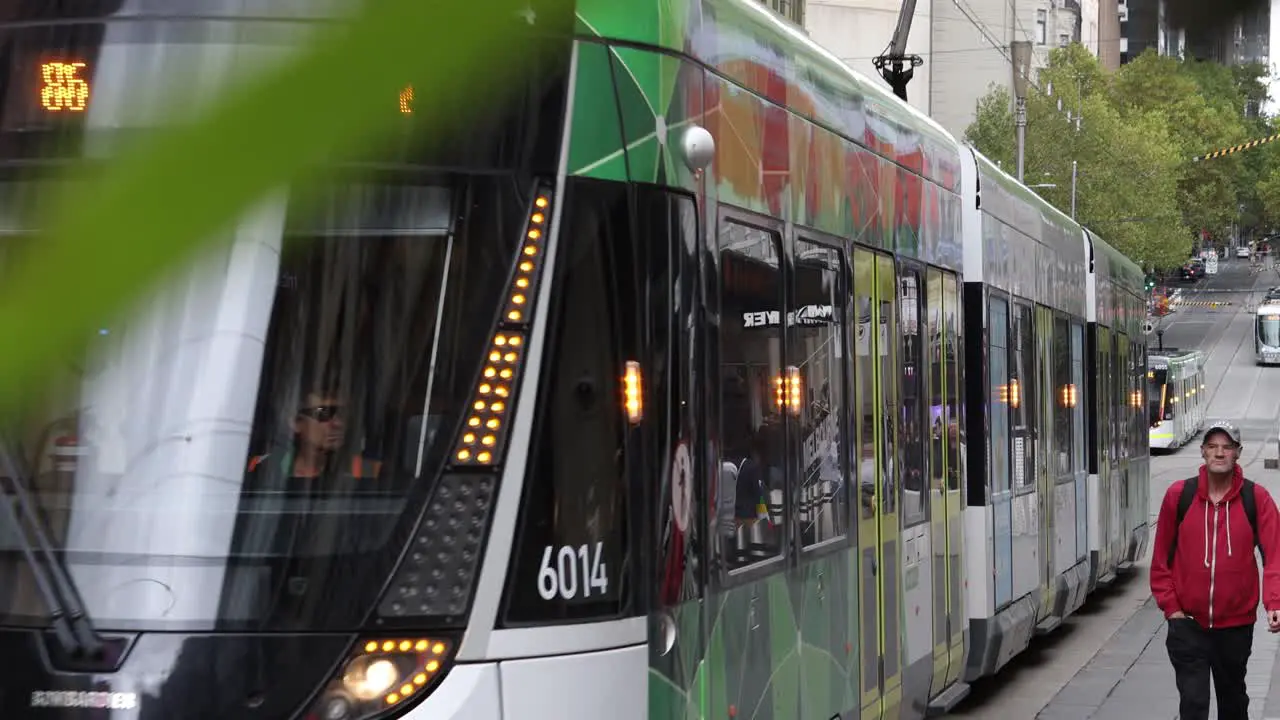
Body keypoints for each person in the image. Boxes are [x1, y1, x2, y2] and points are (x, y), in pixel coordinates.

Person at [1150, 420, 1280, 720]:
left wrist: (1274, 602)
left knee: (1233, 704)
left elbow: (1274, 554)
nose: (1219, 453)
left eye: (1227, 447)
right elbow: (1160, 563)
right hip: (1188, 624)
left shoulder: (1256, 498)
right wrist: (1172, 610)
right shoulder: (1178, 496)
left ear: (1238, 454)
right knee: (1193, 705)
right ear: (1203, 452)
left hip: (1235, 627)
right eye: (1213, 447)